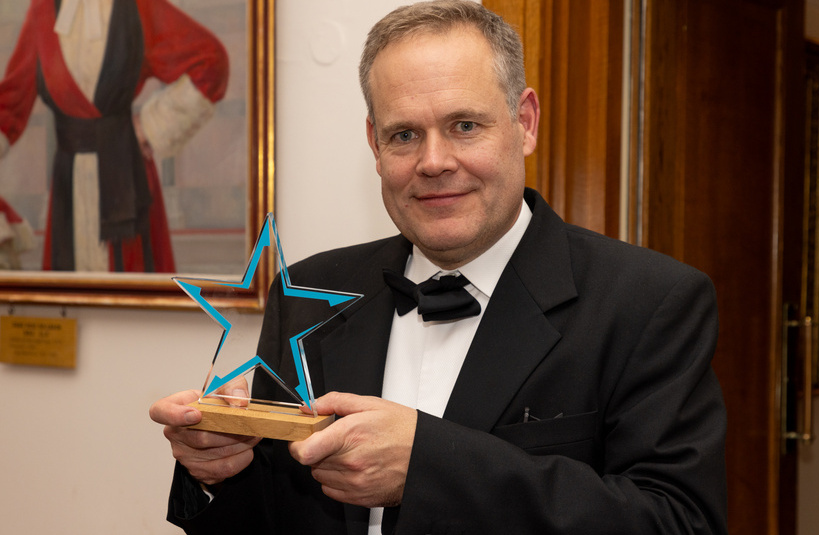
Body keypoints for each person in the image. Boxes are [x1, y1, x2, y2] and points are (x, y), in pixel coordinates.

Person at [150, 1, 727, 533]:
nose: (433, 162)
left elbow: (679, 522)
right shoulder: (309, 291)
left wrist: (428, 468)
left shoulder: (650, 302)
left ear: (524, 122)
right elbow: (276, 517)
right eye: (404, 135)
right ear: (375, 146)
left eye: (464, 126)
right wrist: (219, 472)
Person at [0, 0, 229, 272]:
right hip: (67, 191)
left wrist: (149, 125)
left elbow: (212, 62)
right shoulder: (42, 11)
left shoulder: (141, 7)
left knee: (135, 299)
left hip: (127, 180)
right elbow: (10, 103)